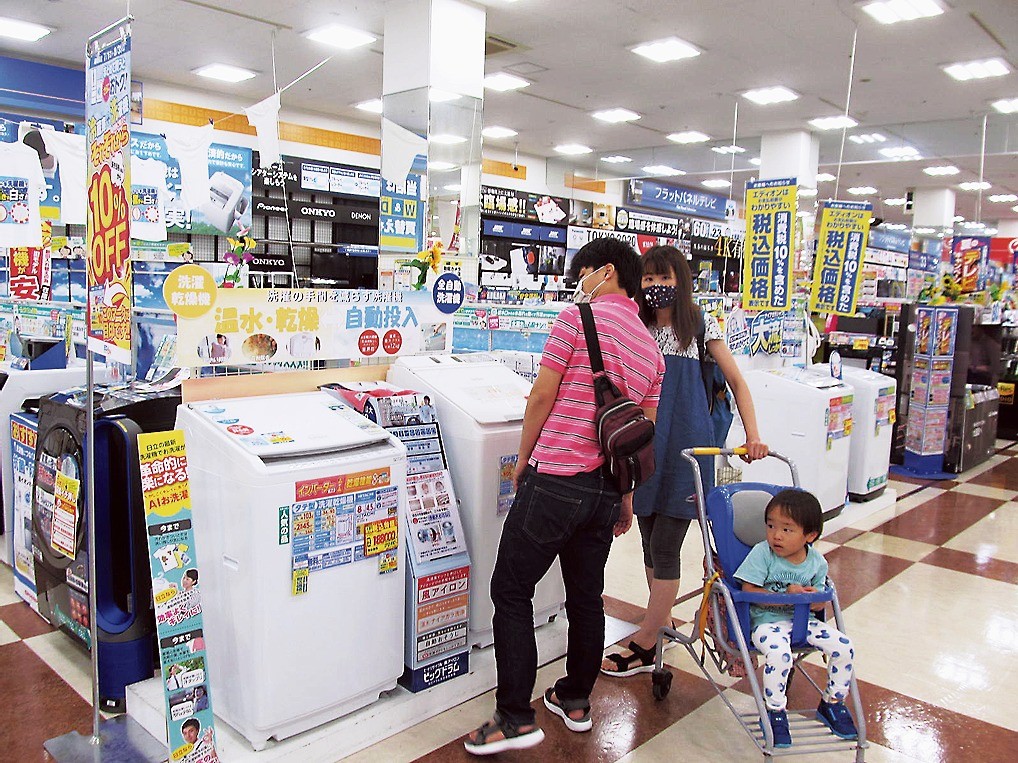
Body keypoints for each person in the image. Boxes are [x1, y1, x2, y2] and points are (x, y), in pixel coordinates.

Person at [465, 238, 665, 755]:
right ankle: (575, 701)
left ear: (604, 272)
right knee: (585, 598)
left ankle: (514, 716)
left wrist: (525, 460)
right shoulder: (650, 346)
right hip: (604, 493)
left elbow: (541, 396)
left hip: (555, 479)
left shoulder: (576, 319)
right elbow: (642, 433)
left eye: (582, 272)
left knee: (510, 590)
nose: (578, 281)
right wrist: (623, 499)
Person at [602, 245, 768, 677]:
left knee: (665, 545)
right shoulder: (634, 325)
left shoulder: (698, 326)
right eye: (649, 279)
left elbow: (737, 382)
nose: (657, 287)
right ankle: (657, 625)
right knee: (647, 541)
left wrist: (753, 436)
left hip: (687, 452)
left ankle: (644, 640)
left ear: (682, 280)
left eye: (665, 278)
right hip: (644, 446)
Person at [733, 489, 858, 747]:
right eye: (770, 526)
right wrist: (788, 596)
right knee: (780, 656)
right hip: (766, 622)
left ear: (809, 536)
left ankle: (832, 703)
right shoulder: (761, 553)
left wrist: (813, 598)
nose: (776, 535)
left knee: (844, 647)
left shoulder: (816, 563)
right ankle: (775, 711)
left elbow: (820, 603)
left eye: (787, 530)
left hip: (805, 623)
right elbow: (749, 591)